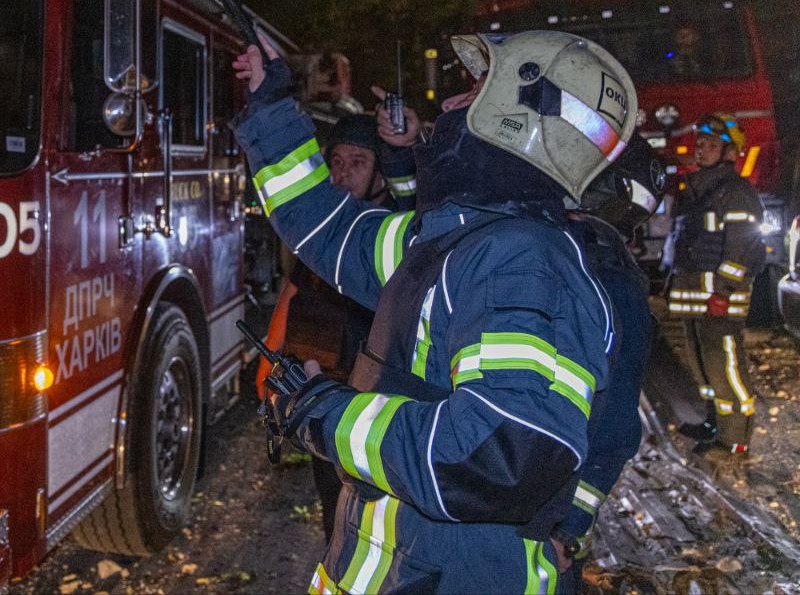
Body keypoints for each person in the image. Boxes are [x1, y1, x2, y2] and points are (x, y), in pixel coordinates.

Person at [233, 29, 636, 593]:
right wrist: (274, 105)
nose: (447, 105)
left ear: (517, 117)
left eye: (471, 92)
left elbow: (498, 455)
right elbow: (324, 227)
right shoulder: (458, 239)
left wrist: (325, 414)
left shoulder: (519, 262)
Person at [254, 108, 419, 540]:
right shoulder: (327, 232)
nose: (342, 174)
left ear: (381, 175)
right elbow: (294, 292)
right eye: (336, 162)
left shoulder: (393, 232)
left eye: (358, 163)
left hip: (380, 405)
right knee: (337, 513)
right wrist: (267, 365)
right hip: (326, 393)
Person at [551, 134, 665, 584]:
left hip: (535, 521)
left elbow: (615, 432)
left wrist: (566, 531)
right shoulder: (609, 273)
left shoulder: (599, 276)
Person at [666, 112, 764, 455]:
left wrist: (723, 291)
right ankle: (714, 423)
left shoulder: (736, 192)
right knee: (702, 365)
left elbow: (743, 246)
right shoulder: (696, 189)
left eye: (711, 145)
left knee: (725, 368)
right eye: (700, 144)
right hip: (695, 295)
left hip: (717, 297)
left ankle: (736, 436)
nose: (701, 150)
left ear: (730, 152)